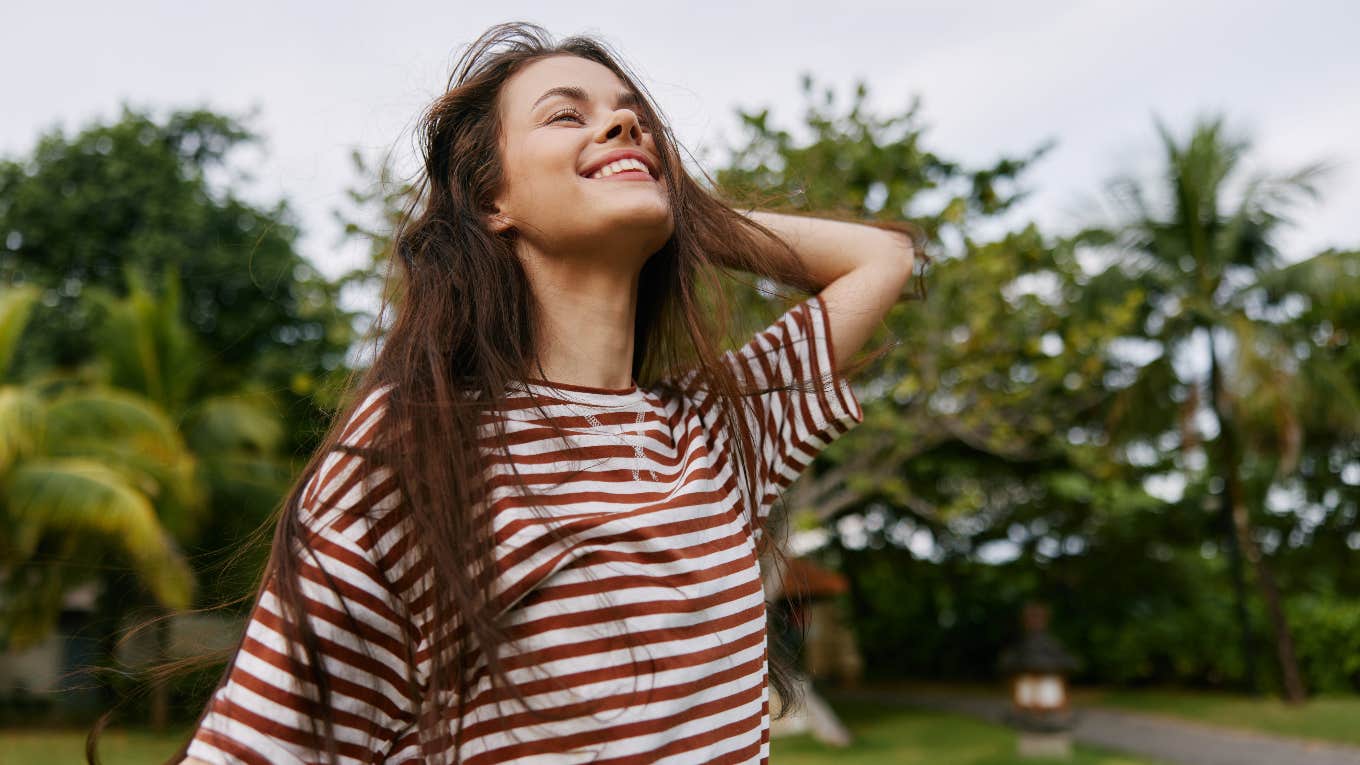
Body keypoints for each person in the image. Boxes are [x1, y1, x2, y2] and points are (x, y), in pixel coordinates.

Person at [172, 20, 923, 765]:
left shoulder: (717, 433)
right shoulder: (419, 443)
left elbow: (883, 258)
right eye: (568, 114)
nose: (626, 123)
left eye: (634, 117)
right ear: (494, 200)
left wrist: (684, 212)